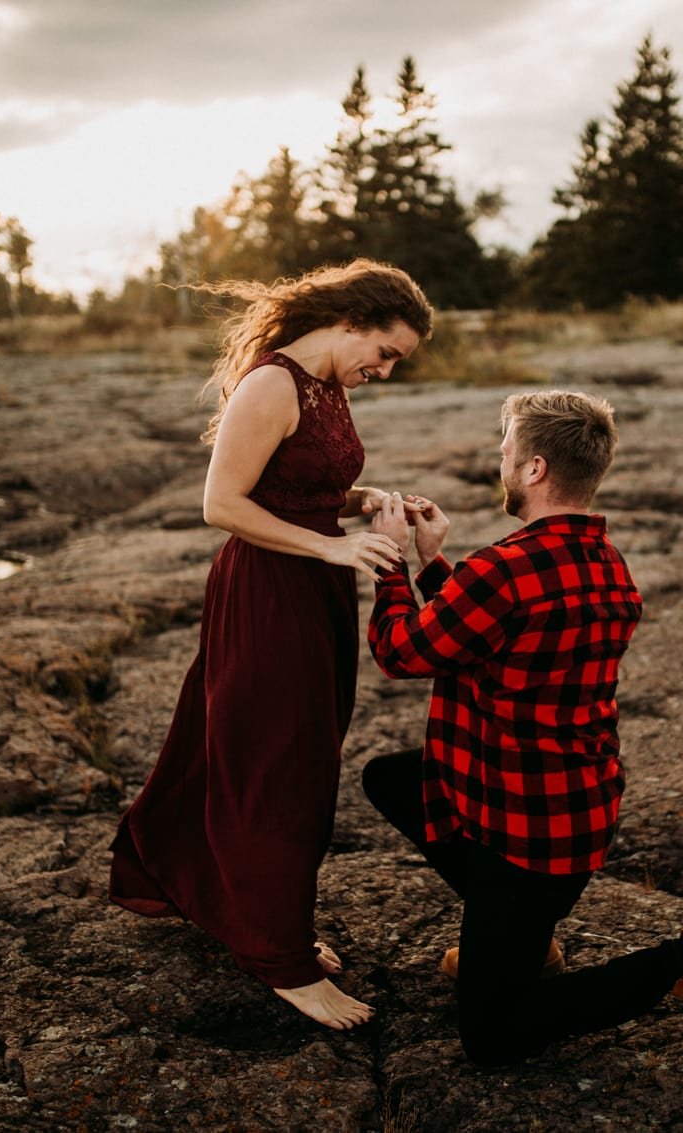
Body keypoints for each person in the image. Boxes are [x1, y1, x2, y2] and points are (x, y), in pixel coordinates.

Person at [362, 390, 683, 1066]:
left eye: (506, 452)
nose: (501, 461)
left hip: (520, 840)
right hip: (573, 819)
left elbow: (403, 650)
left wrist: (392, 564)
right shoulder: (607, 566)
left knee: (493, 1038)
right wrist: (435, 565)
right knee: (394, 777)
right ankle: (526, 938)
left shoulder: (503, 568)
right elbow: (490, 631)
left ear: (536, 468)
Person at [109, 259, 433, 1030]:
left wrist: (368, 501)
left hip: (313, 588)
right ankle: (277, 954)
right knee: (276, 768)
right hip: (268, 590)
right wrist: (329, 549)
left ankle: (229, 899)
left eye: (392, 364)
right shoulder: (272, 383)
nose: (382, 372)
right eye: (383, 353)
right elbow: (220, 503)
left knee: (278, 753)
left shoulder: (325, 388)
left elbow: (295, 485)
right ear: (351, 320)